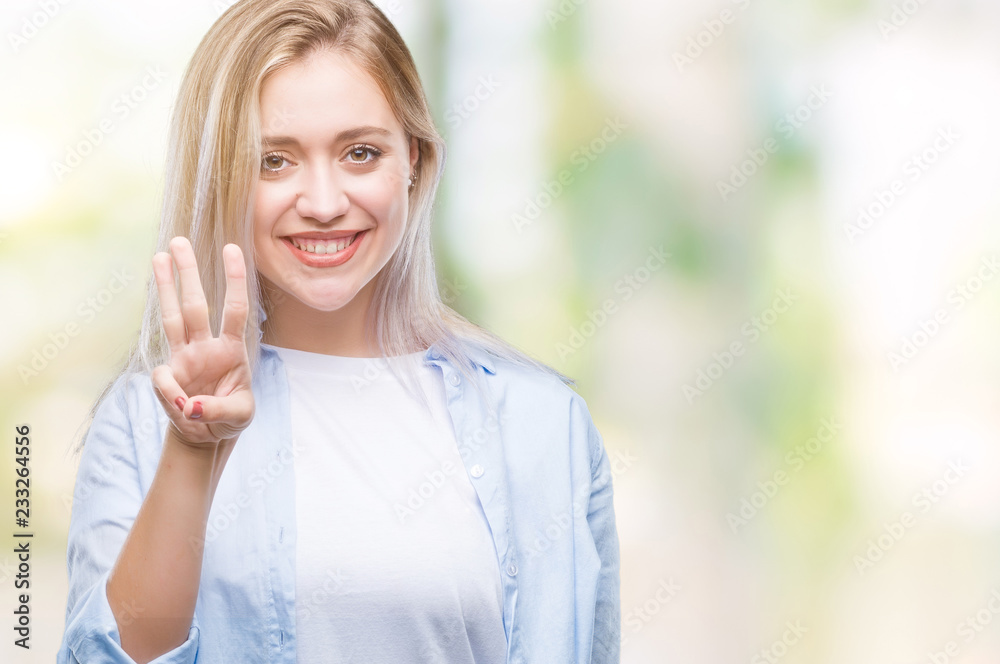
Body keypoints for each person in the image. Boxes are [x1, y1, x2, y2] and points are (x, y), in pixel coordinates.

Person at [57, 0, 621, 662]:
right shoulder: (143, 427)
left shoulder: (545, 426)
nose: (324, 204)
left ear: (411, 159)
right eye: (274, 160)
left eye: (360, 152)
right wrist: (192, 448)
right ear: (222, 176)